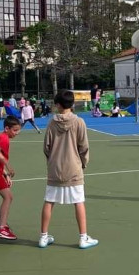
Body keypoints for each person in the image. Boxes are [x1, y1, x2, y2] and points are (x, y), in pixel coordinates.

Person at [38, 90, 98, 249]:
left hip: (55, 169)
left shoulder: (52, 123)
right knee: (79, 202)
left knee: (49, 201)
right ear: (72, 104)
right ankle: (83, 238)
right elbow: (84, 147)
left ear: (58, 104)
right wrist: (82, 164)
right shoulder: (79, 122)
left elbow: (46, 147)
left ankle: (43, 237)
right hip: (74, 169)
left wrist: (51, 162)